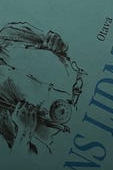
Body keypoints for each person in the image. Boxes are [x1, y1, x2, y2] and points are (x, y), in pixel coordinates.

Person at [0, 22, 84, 154]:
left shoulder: (9, 33)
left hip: (85, 87)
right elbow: (18, 160)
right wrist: (24, 133)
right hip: (66, 139)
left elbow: (58, 44)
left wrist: (59, 43)